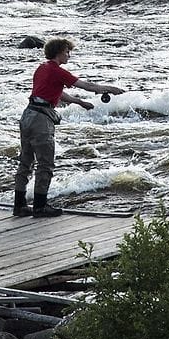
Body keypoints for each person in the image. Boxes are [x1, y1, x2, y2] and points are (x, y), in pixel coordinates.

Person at [14, 38, 124, 218]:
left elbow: (57, 92)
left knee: (25, 163)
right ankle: (40, 207)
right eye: (67, 52)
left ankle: (19, 206)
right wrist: (110, 88)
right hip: (41, 120)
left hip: (28, 116)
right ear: (58, 52)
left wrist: (79, 102)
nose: (69, 55)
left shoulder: (42, 68)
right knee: (45, 164)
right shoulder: (58, 71)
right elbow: (87, 86)